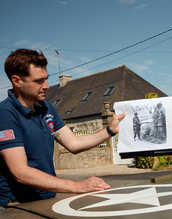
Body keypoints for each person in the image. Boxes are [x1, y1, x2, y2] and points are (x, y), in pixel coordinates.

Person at [0, 49, 126, 208]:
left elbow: (73, 143)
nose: (46, 86)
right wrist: (76, 186)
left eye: (46, 79)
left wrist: (110, 130)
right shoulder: (5, 114)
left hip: (46, 200)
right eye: (39, 81)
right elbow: (20, 172)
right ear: (17, 81)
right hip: (18, 206)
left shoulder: (46, 108)